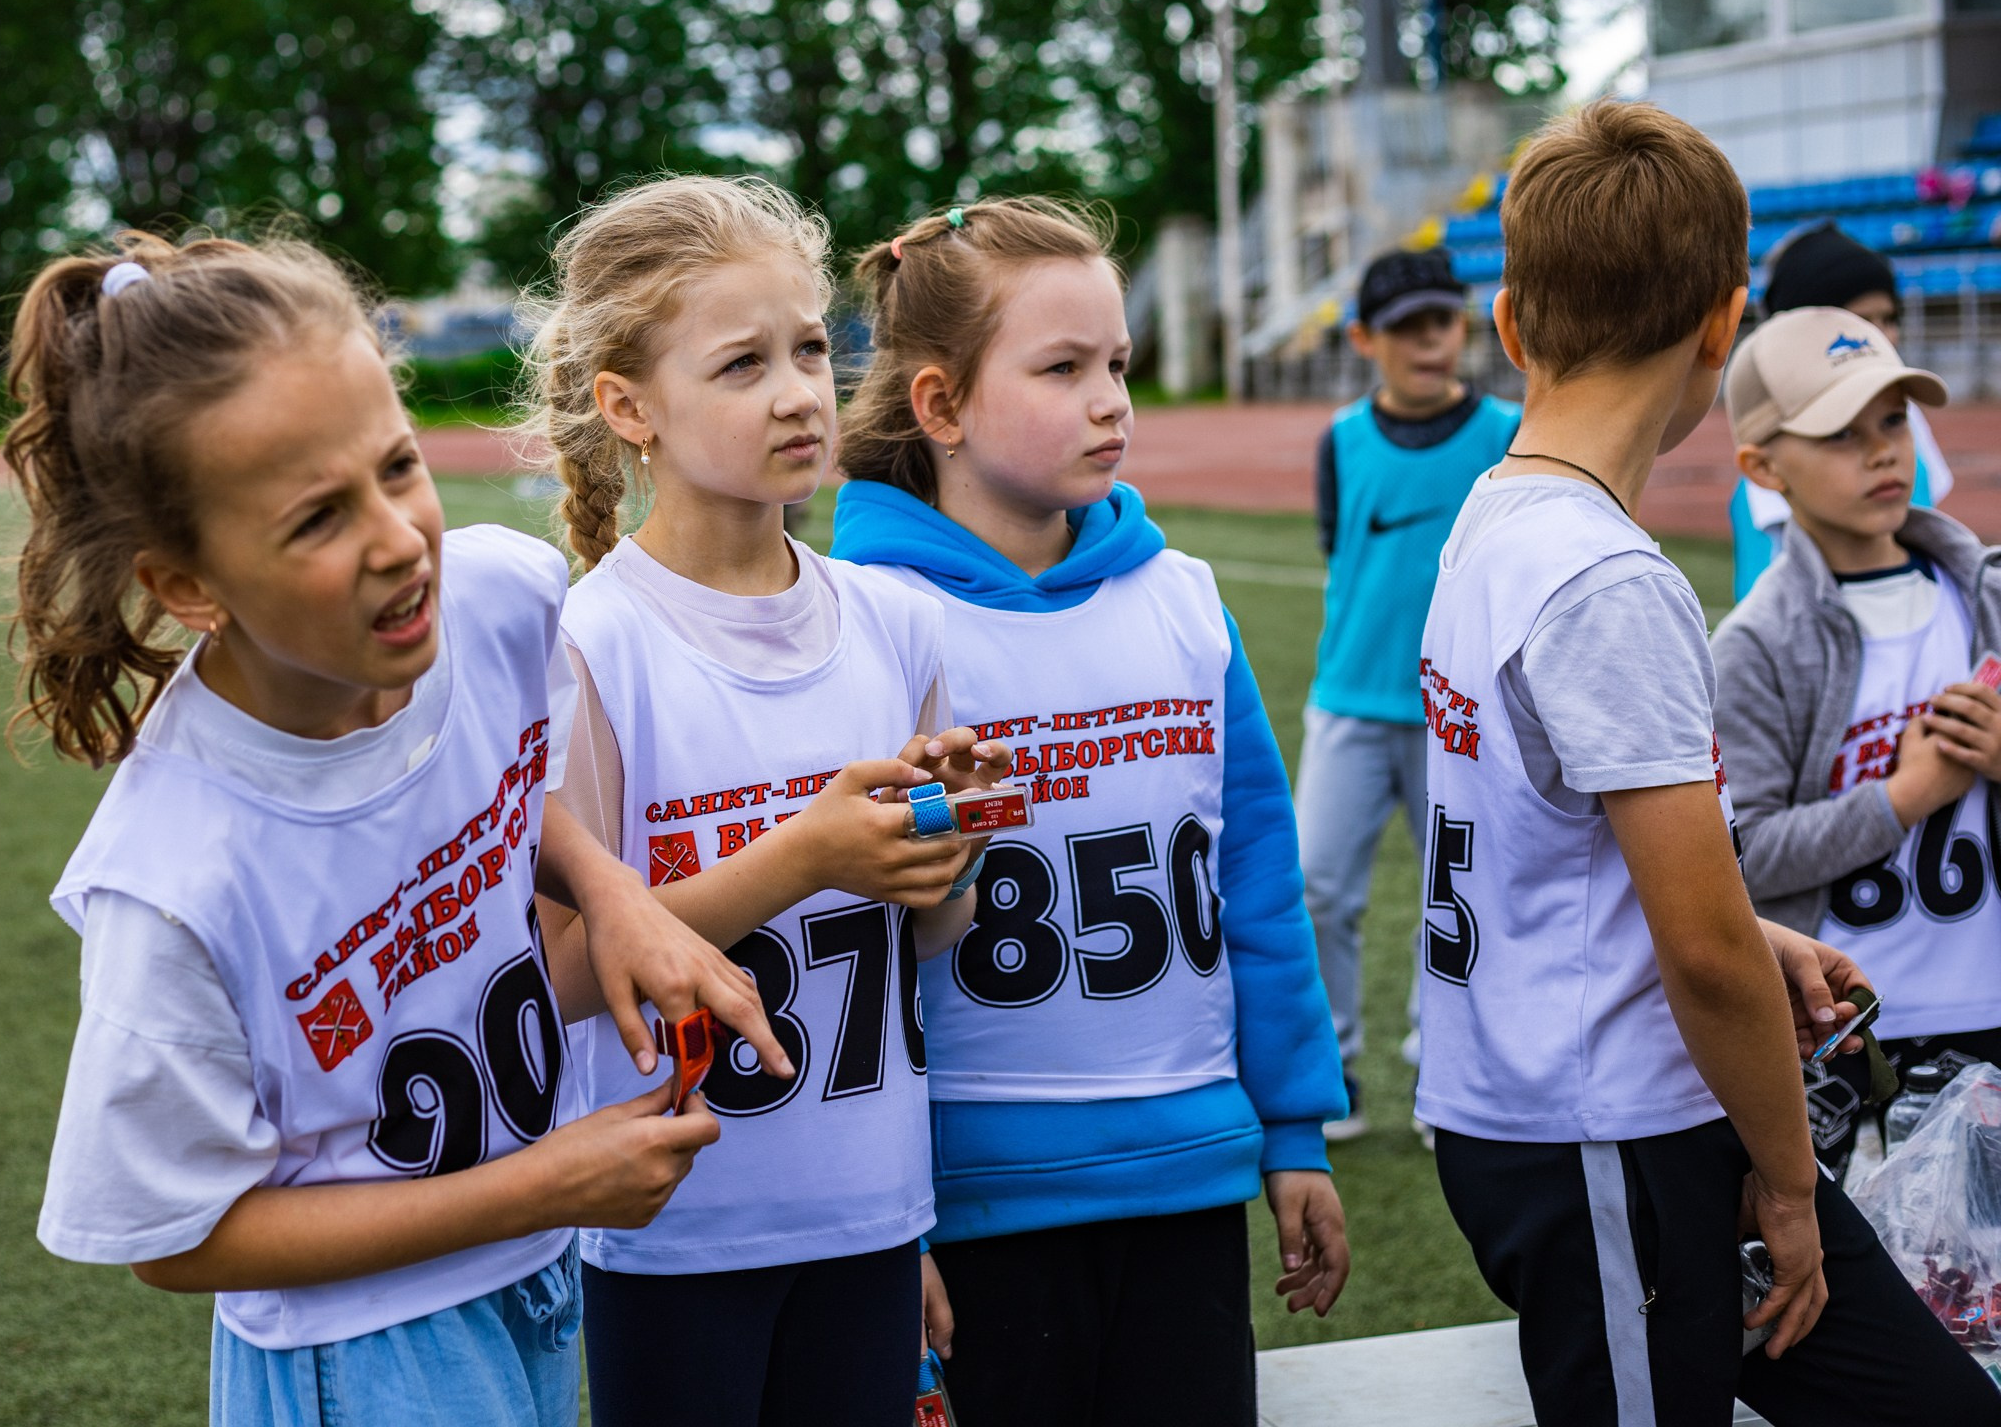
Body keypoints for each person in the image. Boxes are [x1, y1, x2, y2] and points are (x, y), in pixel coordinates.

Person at [16, 231, 788, 1427]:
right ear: (189, 586)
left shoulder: (496, 600)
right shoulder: (174, 876)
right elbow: (173, 1238)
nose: (394, 537)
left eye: (397, 466)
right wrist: (541, 1185)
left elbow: (503, 777)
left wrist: (612, 891)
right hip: (362, 1353)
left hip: (529, 1287)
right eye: (317, 517)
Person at [1416, 99, 2000, 1426]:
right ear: (1723, 328)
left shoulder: (1497, 519)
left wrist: (1754, 935)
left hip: (1608, 1110)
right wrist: (1792, 1182)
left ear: (1510, 323)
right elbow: (1699, 951)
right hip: (1606, 1130)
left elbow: (1589, 864)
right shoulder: (1606, 578)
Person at [828, 199, 1350, 1426]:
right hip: (974, 1202)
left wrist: (1293, 1130)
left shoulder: (1181, 599)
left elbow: (1259, 881)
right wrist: (884, 1223)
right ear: (940, 405)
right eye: (1062, 369)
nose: (1112, 399)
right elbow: (848, 958)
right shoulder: (865, 622)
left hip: (1185, 1184)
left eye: (1115, 363)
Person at [524, 175, 1014, 1427]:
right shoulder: (594, 643)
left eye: (811, 349)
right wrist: (802, 856)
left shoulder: (897, 620)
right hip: (676, 1234)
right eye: (741, 364)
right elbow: (565, 974)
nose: (799, 392)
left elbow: (928, 941)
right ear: (628, 406)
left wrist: (943, 857)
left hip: (872, 1212)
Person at [1711, 307, 2001, 1177]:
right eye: (1840, 433)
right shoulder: (1755, 647)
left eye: (1892, 421)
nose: (1881, 451)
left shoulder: (1985, 595)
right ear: (1763, 466)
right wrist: (1905, 799)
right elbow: (1742, 856)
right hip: (1846, 1043)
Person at [1300, 246, 1519, 1140]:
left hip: (1462, 717)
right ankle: (1335, 1065)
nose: (1430, 342)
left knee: (1463, 899)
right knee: (1318, 887)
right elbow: (1338, 553)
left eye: (1443, 321)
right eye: (1406, 328)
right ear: (1364, 339)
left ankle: (1449, 1070)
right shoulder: (1342, 441)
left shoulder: (1507, 431)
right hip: (1350, 702)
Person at [1730, 223, 1952, 601]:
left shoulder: (1912, 417)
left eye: (1889, 319)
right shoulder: (1774, 465)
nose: (1884, 338)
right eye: (1861, 322)